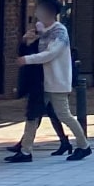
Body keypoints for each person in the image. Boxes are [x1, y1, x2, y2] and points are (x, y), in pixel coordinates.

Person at [8, 0, 92, 163]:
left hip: (56, 82)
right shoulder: (41, 30)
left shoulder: (59, 31)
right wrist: (27, 41)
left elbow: (50, 54)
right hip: (40, 82)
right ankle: (25, 151)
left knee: (64, 115)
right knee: (33, 115)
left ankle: (84, 146)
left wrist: (27, 60)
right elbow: (31, 51)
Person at [12, 22, 74, 158]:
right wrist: (25, 41)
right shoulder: (39, 40)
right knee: (39, 114)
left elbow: (45, 57)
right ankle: (25, 146)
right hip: (41, 82)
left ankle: (25, 147)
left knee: (51, 114)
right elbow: (25, 53)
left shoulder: (56, 37)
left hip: (50, 82)